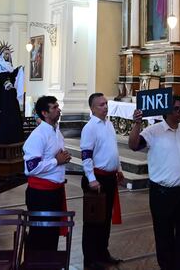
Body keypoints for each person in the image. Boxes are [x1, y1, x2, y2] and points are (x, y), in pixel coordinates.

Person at [129, 96, 180, 270]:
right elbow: (134, 145)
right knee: (163, 234)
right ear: (166, 111)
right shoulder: (153, 131)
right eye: (177, 109)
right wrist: (137, 123)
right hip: (162, 194)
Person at [80, 93, 124, 270]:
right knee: (93, 223)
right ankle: (91, 260)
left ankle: (103, 253)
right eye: (101, 105)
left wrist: (119, 169)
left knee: (105, 221)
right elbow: (86, 155)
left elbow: (113, 149)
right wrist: (91, 179)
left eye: (106, 103)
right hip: (96, 180)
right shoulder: (90, 128)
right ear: (92, 108)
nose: (105, 107)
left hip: (110, 177)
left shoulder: (109, 124)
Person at [23, 95, 71, 255]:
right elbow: (31, 167)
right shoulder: (38, 135)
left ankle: (49, 263)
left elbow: (56, 156)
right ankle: (34, 264)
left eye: (58, 106)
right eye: (54, 107)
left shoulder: (56, 132)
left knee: (52, 235)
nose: (59, 109)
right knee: (40, 235)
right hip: (41, 194)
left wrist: (63, 158)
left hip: (55, 191)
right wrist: (56, 161)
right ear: (44, 113)